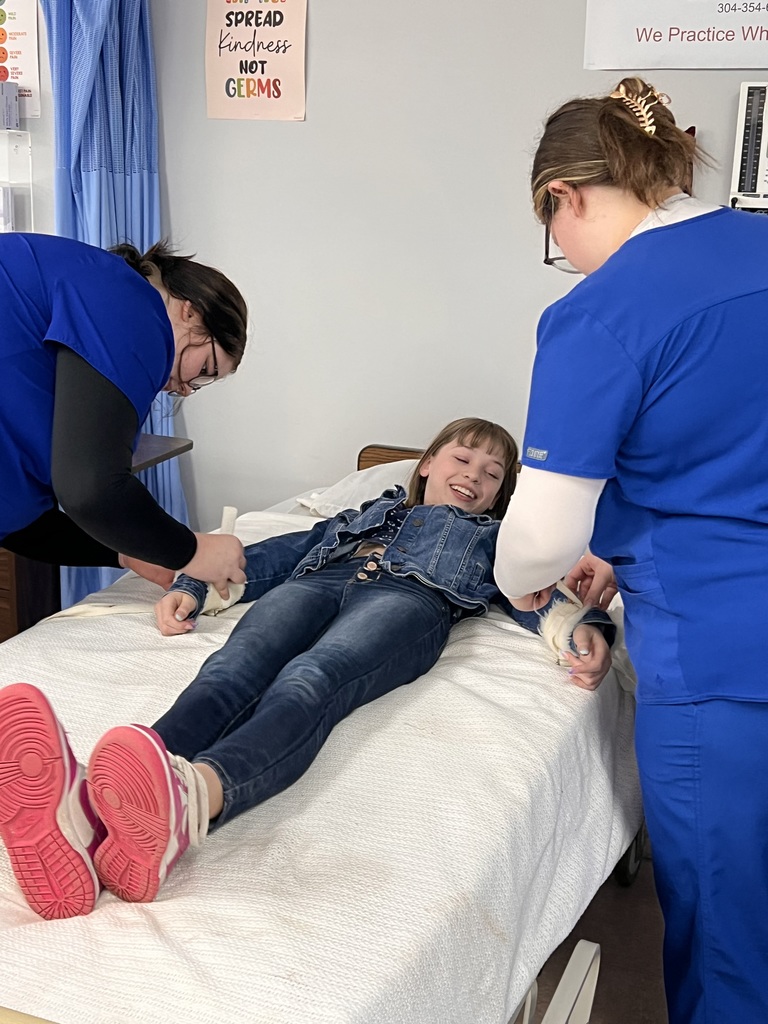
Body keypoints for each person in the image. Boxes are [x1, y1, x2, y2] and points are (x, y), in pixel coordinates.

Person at [0, 417, 616, 920]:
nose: (473, 476)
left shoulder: (494, 536)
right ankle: (106, 804)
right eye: (463, 458)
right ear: (426, 464)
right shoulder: (369, 511)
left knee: (312, 679)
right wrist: (198, 582)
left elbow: (532, 590)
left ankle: (193, 800)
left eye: (492, 473)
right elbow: (283, 552)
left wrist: (577, 628)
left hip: (411, 600)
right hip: (322, 579)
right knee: (230, 670)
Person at [493, 77, 768, 1024]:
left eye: (552, 233)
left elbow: (537, 535)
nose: (562, 258)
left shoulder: (606, 310)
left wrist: (523, 582)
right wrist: (625, 542)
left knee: (732, 940)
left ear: (564, 197)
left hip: (726, 664)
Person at [0, 232, 249, 596]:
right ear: (191, 310)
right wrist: (193, 550)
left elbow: (19, 522)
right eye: (207, 370)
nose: (185, 388)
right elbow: (90, 489)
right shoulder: (129, 300)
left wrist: (127, 553)